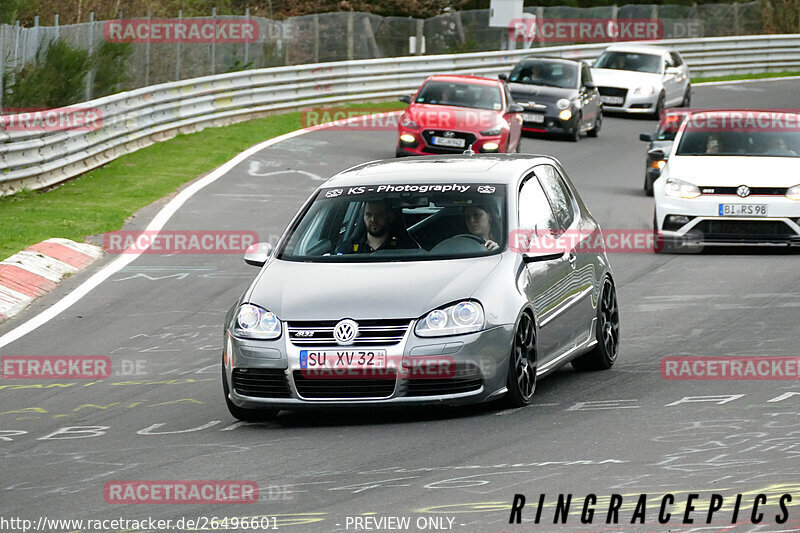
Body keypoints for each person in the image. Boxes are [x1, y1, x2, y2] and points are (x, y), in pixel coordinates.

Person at [342, 200, 417, 253]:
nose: (373, 219)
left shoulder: (406, 249)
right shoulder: (348, 248)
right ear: (363, 217)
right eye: (368, 214)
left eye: (379, 215)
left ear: (390, 217)